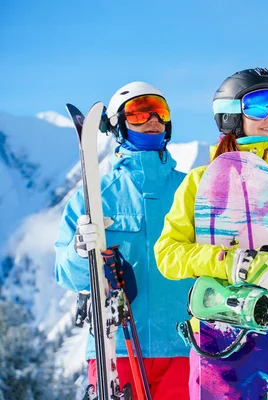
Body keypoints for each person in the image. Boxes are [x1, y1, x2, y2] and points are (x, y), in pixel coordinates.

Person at [154, 67, 268, 400]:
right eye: (259, 105)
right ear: (230, 115)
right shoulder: (202, 181)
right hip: (224, 334)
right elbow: (168, 254)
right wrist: (234, 263)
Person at [55, 82, 193, 399]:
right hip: (115, 349)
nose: (152, 119)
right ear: (118, 125)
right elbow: (67, 275)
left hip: (184, 346)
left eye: (159, 112)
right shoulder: (94, 195)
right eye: (139, 113)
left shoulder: (191, 192)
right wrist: (79, 251)